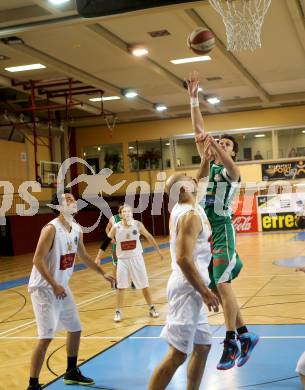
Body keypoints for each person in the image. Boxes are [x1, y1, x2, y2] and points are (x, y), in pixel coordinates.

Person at [187, 70, 259, 370]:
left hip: (223, 230)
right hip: (207, 233)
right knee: (218, 287)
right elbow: (199, 130)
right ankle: (246, 334)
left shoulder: (232, 172)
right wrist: (193, 98)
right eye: (222, 144)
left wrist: (216, 145)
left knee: (224, 285)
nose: (222, 146)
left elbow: (228, 161)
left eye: (228, 145)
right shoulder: (208, 167)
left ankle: (230, 342)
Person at [27, 190, 114, 390]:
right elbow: (37, 260)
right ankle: (32, 385)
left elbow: (83, 256)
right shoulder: (50, 229)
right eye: (67, 200)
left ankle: (71, 372)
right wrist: (54, 284)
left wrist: (103, 273)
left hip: (61, 288)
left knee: (75, 328)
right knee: (46, 337)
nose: (72, 201)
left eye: (73, 199)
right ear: (58, 207)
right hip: (44, 289)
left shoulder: (76, 229)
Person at [148, 169, 219, 390]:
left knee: (203, 346)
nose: (193, 177)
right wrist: (205, 292)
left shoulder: (186, 206)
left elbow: (199, 177)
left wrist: (205, 157)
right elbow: (182, 258)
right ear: (184, 189)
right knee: (178, 354)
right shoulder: (190, 216)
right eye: (188, 178)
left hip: (193, 287)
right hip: (188, 287)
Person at [108, 204, 163, 322]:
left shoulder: (137, 225)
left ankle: (151, 307)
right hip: (122, 260)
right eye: (124, 211)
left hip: (137, 259)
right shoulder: (116, 227)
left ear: (131, 213)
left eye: (128, 211)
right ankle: (118, 311)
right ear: (120, 214)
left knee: (144, 285)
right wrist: (98, 257)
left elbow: (148, 236)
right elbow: (105, 242)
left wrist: (158, 250)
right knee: (120, 287)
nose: (126, 213)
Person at [95, 209, 136, 288]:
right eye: (124, 211)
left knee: (130, 263)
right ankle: (114, 282)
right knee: (115, 264)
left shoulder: (130, 219)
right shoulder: (113, 218)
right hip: (116, 246)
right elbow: (107, 228)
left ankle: (132, 281)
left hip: (126, 245)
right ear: (120, 212)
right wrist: (111, 238)